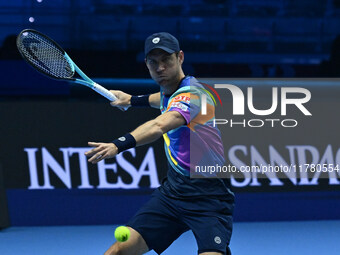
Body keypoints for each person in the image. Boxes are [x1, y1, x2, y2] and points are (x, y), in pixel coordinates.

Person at [85, 32, 234, 255]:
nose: (160, 68)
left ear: (180, 57)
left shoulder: (194, 95)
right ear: (146, 64)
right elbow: (160, 99)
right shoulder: (170, 92)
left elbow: (158, 125)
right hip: (172, 195)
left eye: (166, 60)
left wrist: (118, 145)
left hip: (209, 199)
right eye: (153, 62)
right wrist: (131, 100)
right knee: (118, 250)